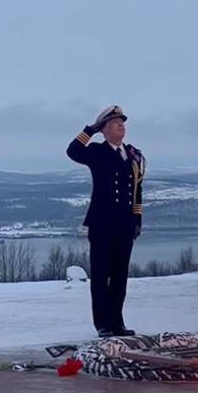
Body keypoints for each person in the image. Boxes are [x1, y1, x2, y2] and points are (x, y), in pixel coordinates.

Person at [66, 105, 146, 338]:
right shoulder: (97, 152)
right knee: (101, 275)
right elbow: (73, 151)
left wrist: (137, 219)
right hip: (101, 224)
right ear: (105, 130)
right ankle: (102, 323)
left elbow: (137, 190)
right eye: (114, 123)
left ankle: (117, 322)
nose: (120, 126)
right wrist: (90, 129)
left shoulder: (133, 155)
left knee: (120, 276)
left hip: (124, 224)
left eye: (122, 123)